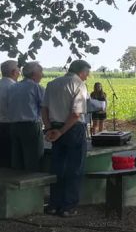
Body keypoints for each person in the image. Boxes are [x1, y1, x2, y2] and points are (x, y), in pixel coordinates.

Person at [42, 59, 91, 217]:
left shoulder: (52, 83)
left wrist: (49, 128)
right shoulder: (78, 84)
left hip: (54, 126)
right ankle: (68, 206)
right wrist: (62, 131)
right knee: (74, 168)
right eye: (87, 73)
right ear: (81, 72)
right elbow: (76, 114)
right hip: (72, 129)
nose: (87, 77)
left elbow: (44, 109)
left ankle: (53, 204)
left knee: (58, 167)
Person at [8, 62, 45, 171]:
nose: (42, 75)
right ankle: (33, 185)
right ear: (34, 74)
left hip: (14, 126)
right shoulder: (36, 87)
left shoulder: (13, 87)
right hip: (30, 126)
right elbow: (44, 107)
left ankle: (18, 185)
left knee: (17, 159)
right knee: (33, 159)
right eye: (40, 72)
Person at [0, 60, 19, 168]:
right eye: (18, 70)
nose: (20, 72)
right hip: (10, 126)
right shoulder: (15, 88)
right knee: (10, 159)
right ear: (13, 72)